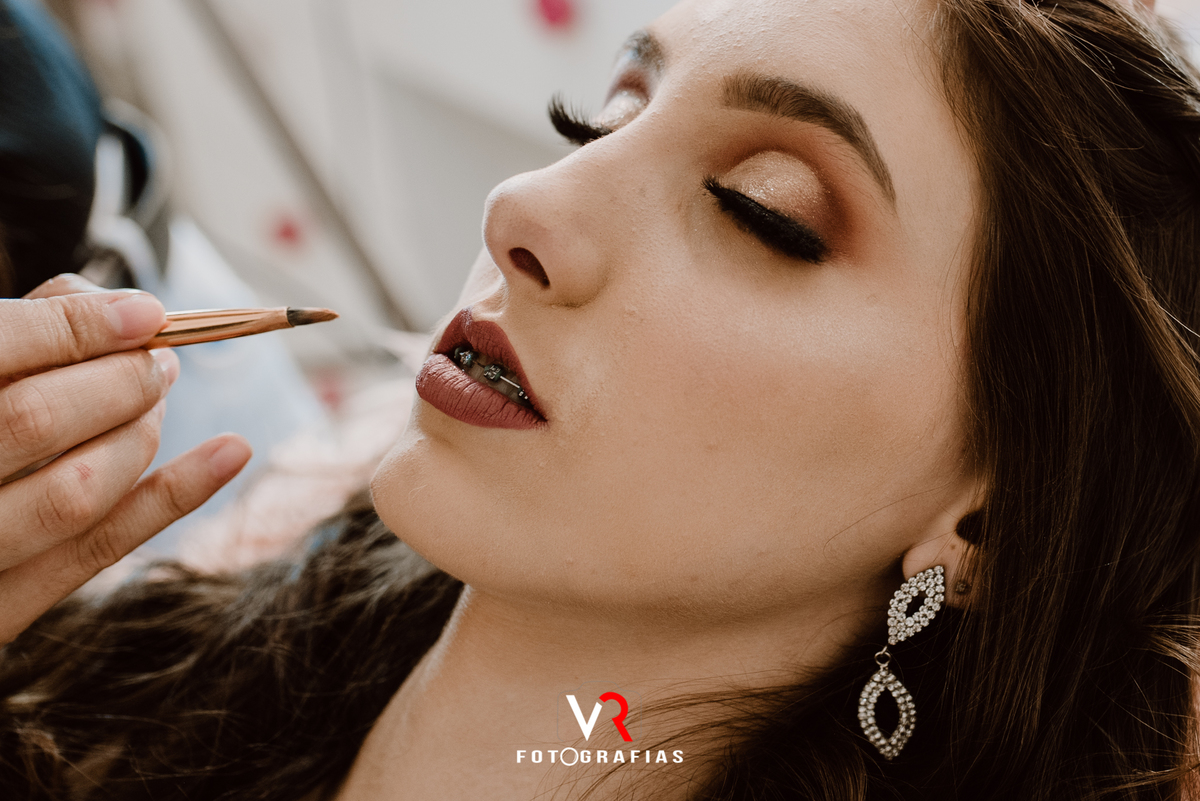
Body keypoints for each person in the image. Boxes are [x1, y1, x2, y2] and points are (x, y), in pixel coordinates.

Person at [0, 0, 1198, 798]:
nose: (523, 205)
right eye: (605, 119)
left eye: (762, 212)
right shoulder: (130, 694)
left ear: (990, 513)